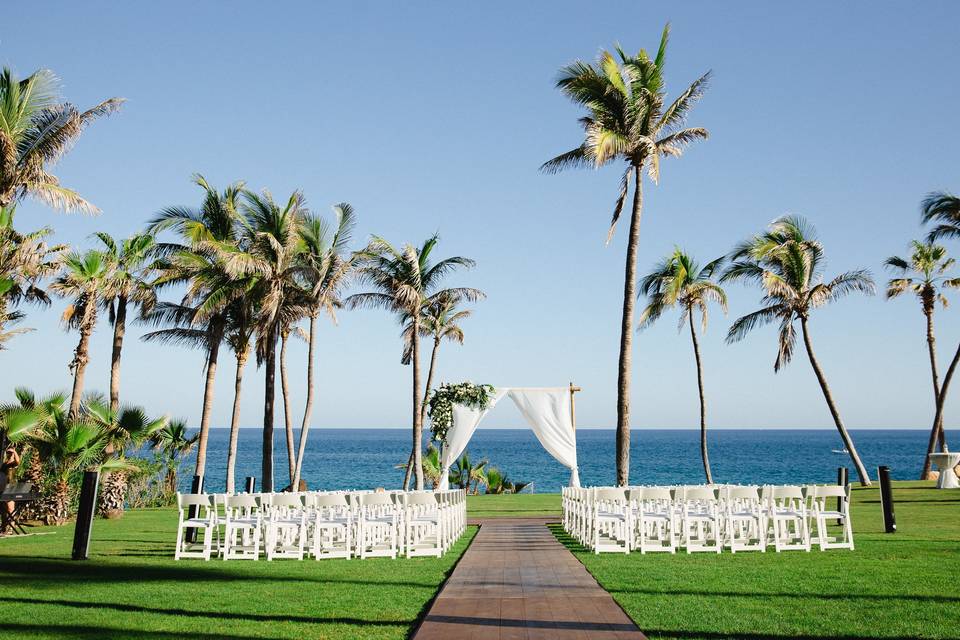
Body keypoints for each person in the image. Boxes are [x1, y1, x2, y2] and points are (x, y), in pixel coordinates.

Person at [1, 447, 21, 515]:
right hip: (3, 487)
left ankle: (12, 524)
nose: (9, 454)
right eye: (8, 452)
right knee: (4, 508)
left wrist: (14, 451)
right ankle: (5, 524)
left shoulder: (13, 464)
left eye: (10, 453)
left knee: (10, 508)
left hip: (11, 487)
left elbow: (18, 461)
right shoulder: (4, 464)